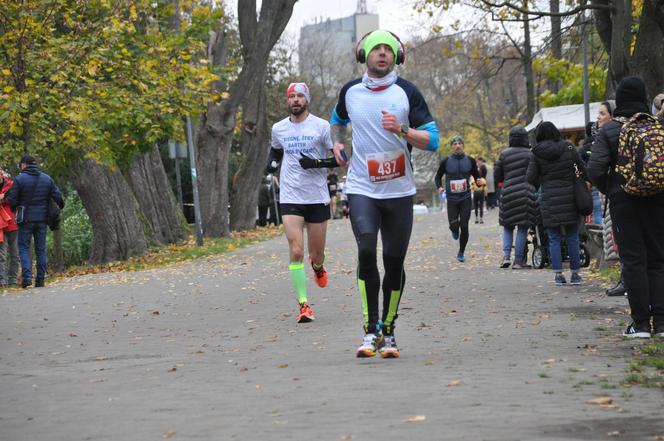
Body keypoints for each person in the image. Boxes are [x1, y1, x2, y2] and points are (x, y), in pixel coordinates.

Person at [330, 29, 439, 358]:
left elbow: (432, 141)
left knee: (393, 261)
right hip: (362, 186)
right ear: (365, 56)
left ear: (396, 57)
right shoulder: (350, 91)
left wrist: (402, 129)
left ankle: (389, 331)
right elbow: (337, 121)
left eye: (387, 50)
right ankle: (370, 329)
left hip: (399, 191)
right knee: (366, 251)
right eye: (375, 49)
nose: (381, 54)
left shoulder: (407, 92)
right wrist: (337, 142)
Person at [588, 76, 664, 338]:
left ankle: (640, 323)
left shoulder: (610, 130)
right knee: (657, 259)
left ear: (619, 99)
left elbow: (595, 169)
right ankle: (662, 323)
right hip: (658, 200)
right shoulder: (658, 126)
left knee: (633, 260)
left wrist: (611, 187)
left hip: (624, 202)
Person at [266, 82, 337, 323]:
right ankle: (304, 305)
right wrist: (272, 165)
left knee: (316, 255)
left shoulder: (322, 127)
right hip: (290, 195)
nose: (295, 100)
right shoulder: (278, 129)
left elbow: (339, 160)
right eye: (291, 96)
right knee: (296, 250)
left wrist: (316, 164)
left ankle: (317, 268)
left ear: (307, 100)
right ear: (287, 101)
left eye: (299, 96)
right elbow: (275, 150)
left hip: (316, 196)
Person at [526, 122, 588, 286]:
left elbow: (530, 178)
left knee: (553, 238)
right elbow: (582, 168)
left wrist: (543, 180)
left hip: (549, 199)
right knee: (572, 237)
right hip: (570, 197)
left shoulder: (536, 153)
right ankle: (575, 275)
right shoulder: (568, 148)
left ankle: (558, 275)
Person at [4, 154, 64, 288]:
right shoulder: (47, 179)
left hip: (25, 219)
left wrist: (16, 208)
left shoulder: (20, 179)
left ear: (24, 164)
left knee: (24, 248)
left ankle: (27, 277)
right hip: (42, 220)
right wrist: (57, 208)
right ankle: (41, 279)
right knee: (40, 249)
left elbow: (11, 200)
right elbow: (58, 197)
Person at [494, 126, 537, 269]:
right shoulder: (531, 154)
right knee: (523, 228)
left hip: (508, 193)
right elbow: (535, 174)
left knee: (507, 226)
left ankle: (506, 256)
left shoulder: (504, 154)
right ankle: (518, 261)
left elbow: (497, 176)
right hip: (525, 193)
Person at [435, 135, 480, 263]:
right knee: (454, 225)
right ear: (451, 147)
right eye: (454, 144)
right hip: (452, 199)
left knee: (464, 225)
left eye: (459, 143)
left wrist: (479, 181)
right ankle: (454, 230)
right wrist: (439, 187)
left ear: (463, 146)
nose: (457, 146)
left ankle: (461, 252)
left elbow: (476, 176)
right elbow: (437, 177)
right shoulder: (446, 161)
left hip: (466, 197)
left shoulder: (470, 160)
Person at [0, 167, 19, 288]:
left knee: (15, 255)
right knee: (1, 256)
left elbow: (15, 200)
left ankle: (13, 280)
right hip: (0, 227)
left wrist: (4, 198)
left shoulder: (11, 184)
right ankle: (2, 281)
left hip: (12, 224)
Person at [473, 157, 488, 224]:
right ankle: (479, 218)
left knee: (478, 205)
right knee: (478, 205)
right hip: (479, 191)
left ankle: (478, 218)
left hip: (478, 190)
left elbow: (471, 187)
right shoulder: (482, 179)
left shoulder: (474, 179)